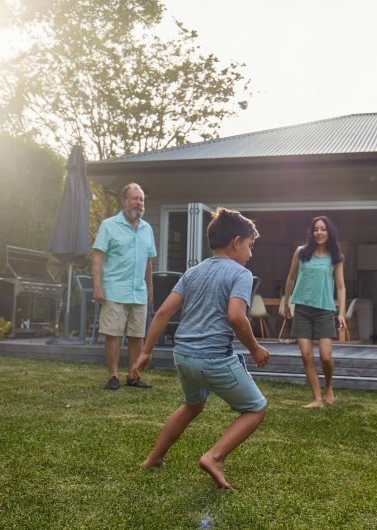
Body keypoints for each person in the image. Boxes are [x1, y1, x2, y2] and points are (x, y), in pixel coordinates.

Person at [137, 207, 270, 490]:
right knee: (256, 408)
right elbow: (236, 317)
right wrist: (256, 348)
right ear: (236, 242)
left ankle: (154, 458)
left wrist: (146, 351)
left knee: (192, 405)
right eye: (250, 245)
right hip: (213, 359)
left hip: (183, 357)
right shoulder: (241, 274)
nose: (250, 253)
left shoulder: (193, 272)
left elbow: (162, 313)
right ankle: (215, 456)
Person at [92, 183, 156, 390]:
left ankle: (133, 375)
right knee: (113, 334)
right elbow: (98, 256)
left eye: (141, 200)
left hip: (138, 291)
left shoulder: (148, 229)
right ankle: (113, 376)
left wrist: (150, 287)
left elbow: (148, 261)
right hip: (114, 289)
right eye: (135, 199)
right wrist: (97, 286)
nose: (139, 203)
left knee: (137, 335)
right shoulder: (109, 225)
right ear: (124, 201)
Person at [283, 216, 347, 409]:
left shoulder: (336, 258)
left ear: (330, 233)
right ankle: (317, 399)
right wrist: (287, 303)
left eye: (323, 229)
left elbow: (341, 287)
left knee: (326, 357)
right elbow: (291, 278)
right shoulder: (301, 252)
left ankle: (328, 386)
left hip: (325, 310)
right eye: (316, 229)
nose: (319, 232)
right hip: (302, 309)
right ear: (311, 233)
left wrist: (341, 312)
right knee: (306, 355)